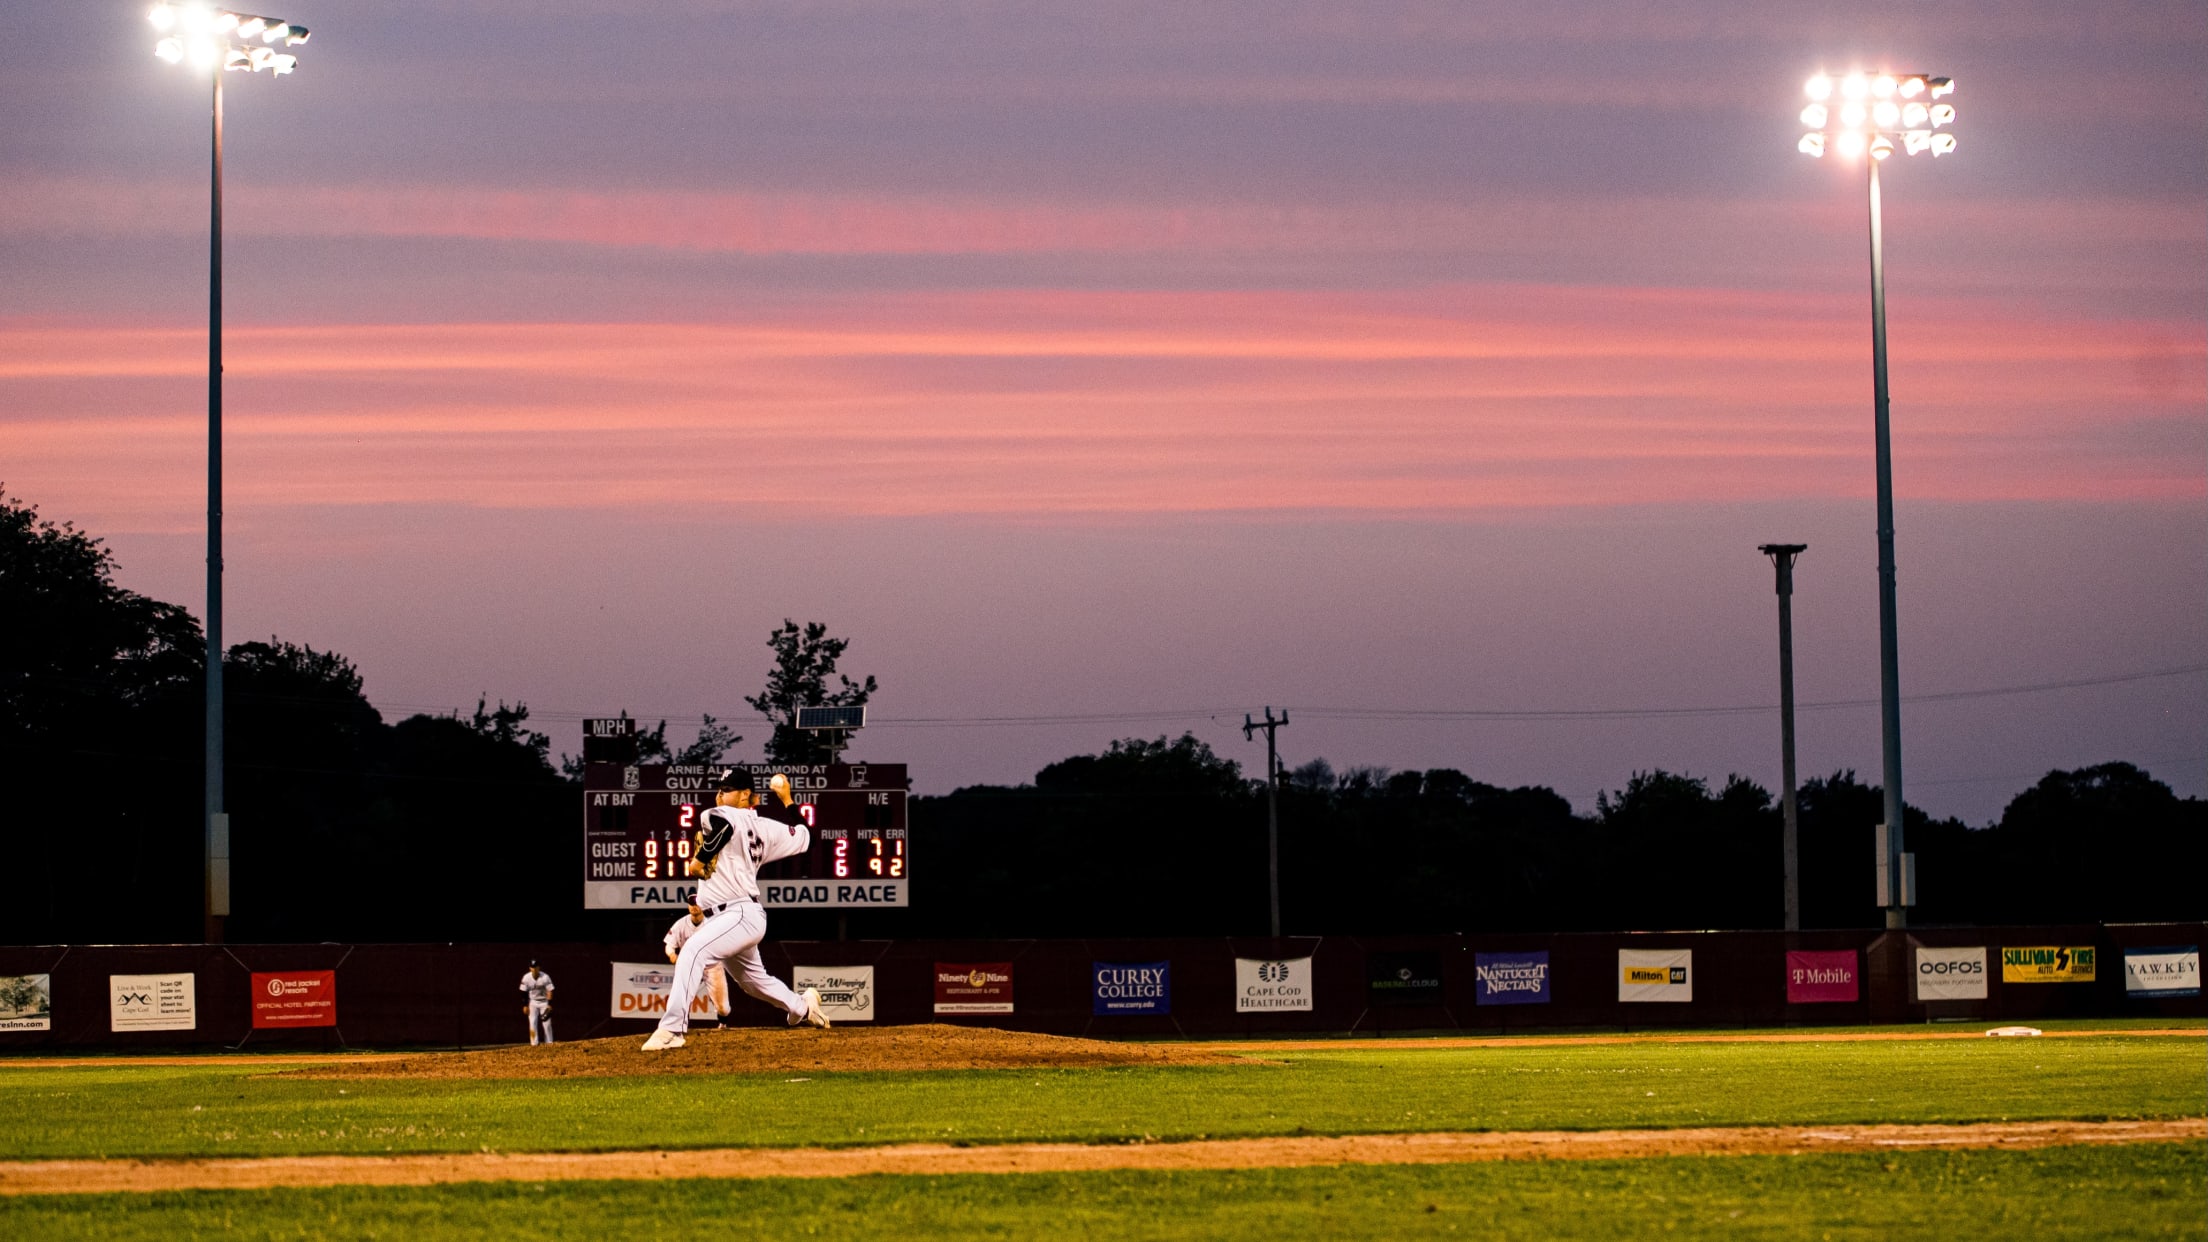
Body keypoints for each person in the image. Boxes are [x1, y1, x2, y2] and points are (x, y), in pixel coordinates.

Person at [641, 769, 829, 1050]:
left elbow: (725, 829)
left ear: (744, 794)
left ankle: (671, 1030)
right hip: (741, 917)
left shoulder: (718, 814)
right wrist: (788, 800)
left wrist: (700, 858)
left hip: (736, 914)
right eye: (719, 788)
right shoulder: (766, 827)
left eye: (727, 788)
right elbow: (808, 837)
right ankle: (804, 1007)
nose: (720, 793)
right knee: (753, 981)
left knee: (693, 951)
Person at [664, 902, 731, 1024]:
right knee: (681, 997)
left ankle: (723, 1024)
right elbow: (669, 945)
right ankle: (679, 1025)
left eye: (697, 904)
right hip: (690, 966)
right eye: (691, 904)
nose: (694, 906)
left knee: (723, 1008)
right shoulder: (680, 924)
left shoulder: (712, 922)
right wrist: (672, 954)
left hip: (711, 966)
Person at [519, 961, 555, 1045]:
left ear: (539, 967)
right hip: (533, 1002)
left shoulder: (545, 977)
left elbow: (550, 991)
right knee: (532, 1022)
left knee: (547, 1023)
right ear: (530, 968)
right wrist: (525, 1005)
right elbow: (523, 992)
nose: (534, 969)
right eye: (532, 967)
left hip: (544, 1002)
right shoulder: (526, 977)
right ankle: (534, 1043)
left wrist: (549, 1004)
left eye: (536, 967)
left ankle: (549, 1043)